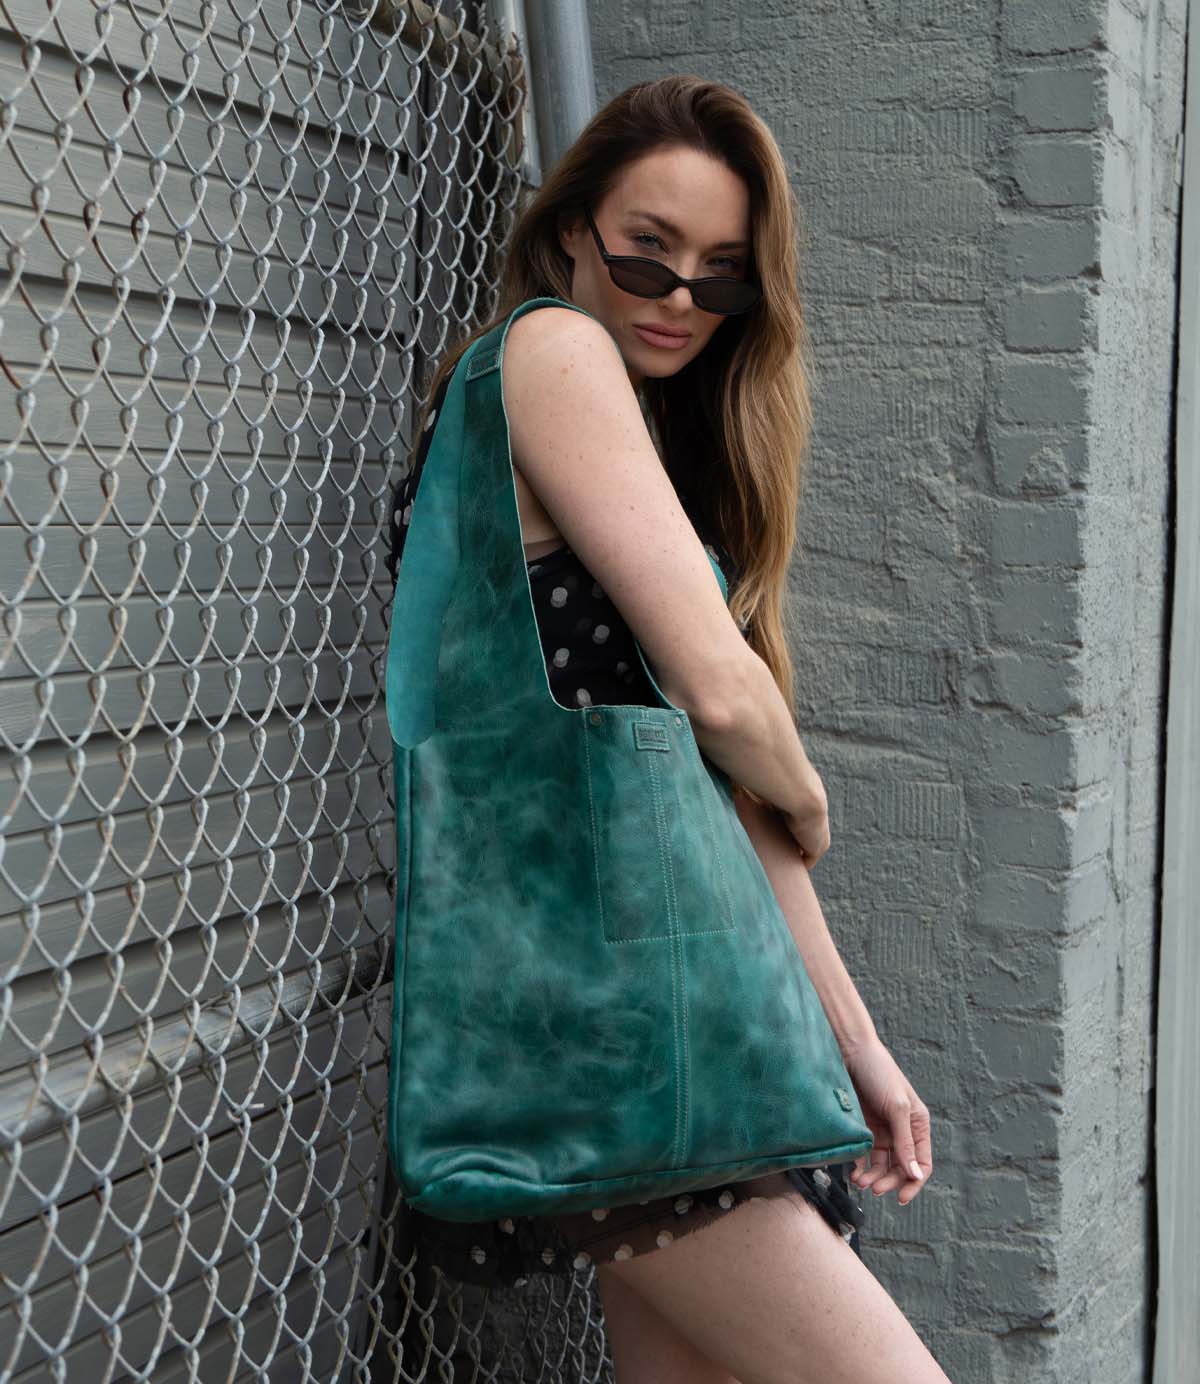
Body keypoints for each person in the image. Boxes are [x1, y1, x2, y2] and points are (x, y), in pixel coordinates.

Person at [386, 74, 951, 1384]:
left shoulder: (637, 441)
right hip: (630, 1035)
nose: (678, 297)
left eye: (721, 276)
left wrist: (854, 1044)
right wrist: (806, 787)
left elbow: (714, 793)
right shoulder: (550, 351)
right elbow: (723, 700)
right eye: (648, 249)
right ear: (575, 223)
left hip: (663, 1044)